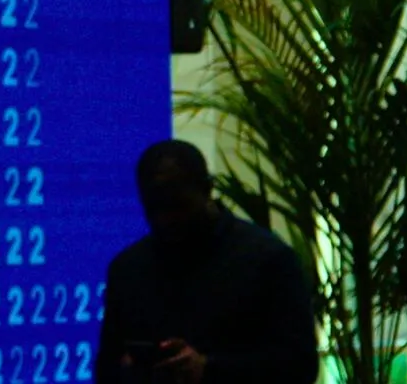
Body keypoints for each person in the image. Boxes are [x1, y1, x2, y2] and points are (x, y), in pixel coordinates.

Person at [92, 140, 317, 384]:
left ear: (207, 190)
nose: (165, 219)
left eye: (177, 205)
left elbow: (300, 366)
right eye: (154, 208)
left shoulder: (269, 261)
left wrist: (209, 369)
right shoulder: (127, 270)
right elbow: (106, 369)